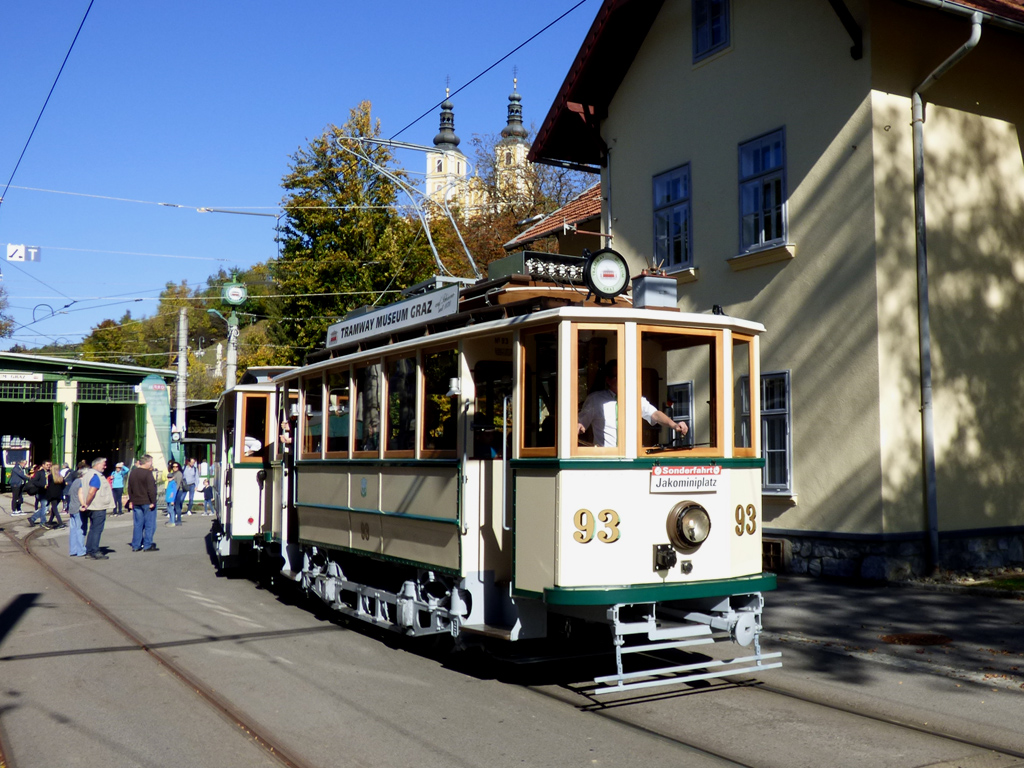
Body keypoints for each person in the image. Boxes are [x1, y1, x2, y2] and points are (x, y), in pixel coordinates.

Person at [577, 360, 688, 447]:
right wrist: (578, 426)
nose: (623, 379)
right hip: (605, 459)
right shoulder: (595, 399)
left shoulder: (634, 398)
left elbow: (655, 414)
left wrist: (674, 425)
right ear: (608, 380)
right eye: (618, 376)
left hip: (630, 459)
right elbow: (581, 422)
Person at [80, 457, 114, 560]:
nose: (105, 466)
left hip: (90, 507)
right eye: (104, 464)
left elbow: (81, 491)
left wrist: (84, 504)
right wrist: (87, 503)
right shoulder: (96, 476)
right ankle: (94, 551)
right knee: (97, 529)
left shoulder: (87, 474)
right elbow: (92, 491)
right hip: (97, 507)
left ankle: (89, 550)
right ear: (97, 464)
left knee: (93, 529)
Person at [126, 454, 159, 552]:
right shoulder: (148, 474)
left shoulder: (133, 473)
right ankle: (147, 545)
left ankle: (136, 545)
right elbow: (151, 489)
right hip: (147, 502)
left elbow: (129, 488)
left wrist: (131, 500)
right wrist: (153, 501)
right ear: (147, 462)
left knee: (138, 524)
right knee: (150, 524)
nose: (151, 464)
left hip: (136, 502)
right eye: (151, 462)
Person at [67, 467, 87, 557]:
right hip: (78, 508)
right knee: (80, 529)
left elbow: (69, 493)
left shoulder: (75, 481)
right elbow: (81, 495)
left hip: (72, 507)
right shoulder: (82, 483)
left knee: (73, 530)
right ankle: (81, 550)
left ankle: (73, 550)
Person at [27, 461, 53, 527]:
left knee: (45, 508)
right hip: (41, 492)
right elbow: (34, 481)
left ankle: (32, 518)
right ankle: (43, 522)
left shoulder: (50, 473)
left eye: (50, 465)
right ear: (43, 465)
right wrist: (43, 485)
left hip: (48, 492)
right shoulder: (39, 473)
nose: (48, 466)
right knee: (44, 508)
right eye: (47, 465)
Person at [166, 461, 185, 527]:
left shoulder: (179, 473)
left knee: (177, 506)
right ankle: (173, 520)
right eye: (173, 466)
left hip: (178, 491)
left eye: (176, 466)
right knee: (172, 506)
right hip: (173, 491)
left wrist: (174, 493)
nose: (175, 468)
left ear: (178, 467)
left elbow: (178, 484)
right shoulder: (172, 473)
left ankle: (179, 520)